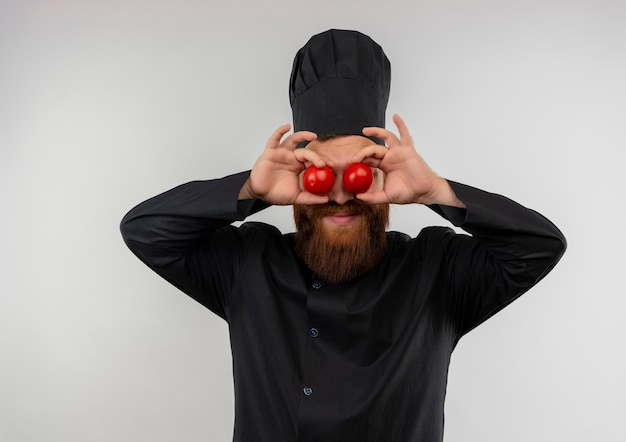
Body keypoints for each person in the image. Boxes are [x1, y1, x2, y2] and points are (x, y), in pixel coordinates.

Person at [121, 29, 566, 442]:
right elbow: (145, 231)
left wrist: (435, 190)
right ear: (297, 178)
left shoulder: (438, 270)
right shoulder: (248, 263)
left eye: (357, 174)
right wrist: (251, 190)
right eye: (318, 173)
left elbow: (539, 246)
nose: (338, 195)